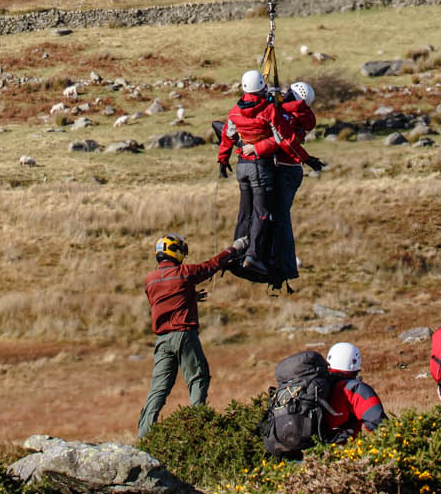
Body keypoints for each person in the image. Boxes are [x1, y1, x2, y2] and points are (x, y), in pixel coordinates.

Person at [138, 232, 242, 438]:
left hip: (162, 341)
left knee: (158, 389)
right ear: (174, 252)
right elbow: (210, 266)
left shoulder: (150, 281)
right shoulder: (184, 272)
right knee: (198, 378)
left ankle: (144, 436)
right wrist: (234, 249)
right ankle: (197, 430)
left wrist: (190, 296)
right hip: (184, 335)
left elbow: (163, 301)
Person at [218, 69, 296, 284]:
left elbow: (227, 136)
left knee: (245, 213)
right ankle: (253, 255)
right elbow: (283, 138)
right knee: (262, 213)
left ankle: (237, 250)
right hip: (260, 167)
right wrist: (261, 147)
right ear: (262, 87)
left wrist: (223, 160)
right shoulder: (268, 110)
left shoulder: (235, 111)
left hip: (241, 167)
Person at [267, 81, 324, 283]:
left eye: (288, 92)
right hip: (290, 171)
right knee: (279, 218)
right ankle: (277, 261)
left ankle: (282, 263)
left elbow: (282, 136)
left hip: (284, 169)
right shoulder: (300, 115)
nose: (284, 94)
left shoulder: (284, 113)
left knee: (279, 219)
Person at [323, 341, 385, 439]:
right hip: (341, 451)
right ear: (355, 363)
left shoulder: (319, 385)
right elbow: (378, 423)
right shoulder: (356, 389)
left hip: (311, 450)